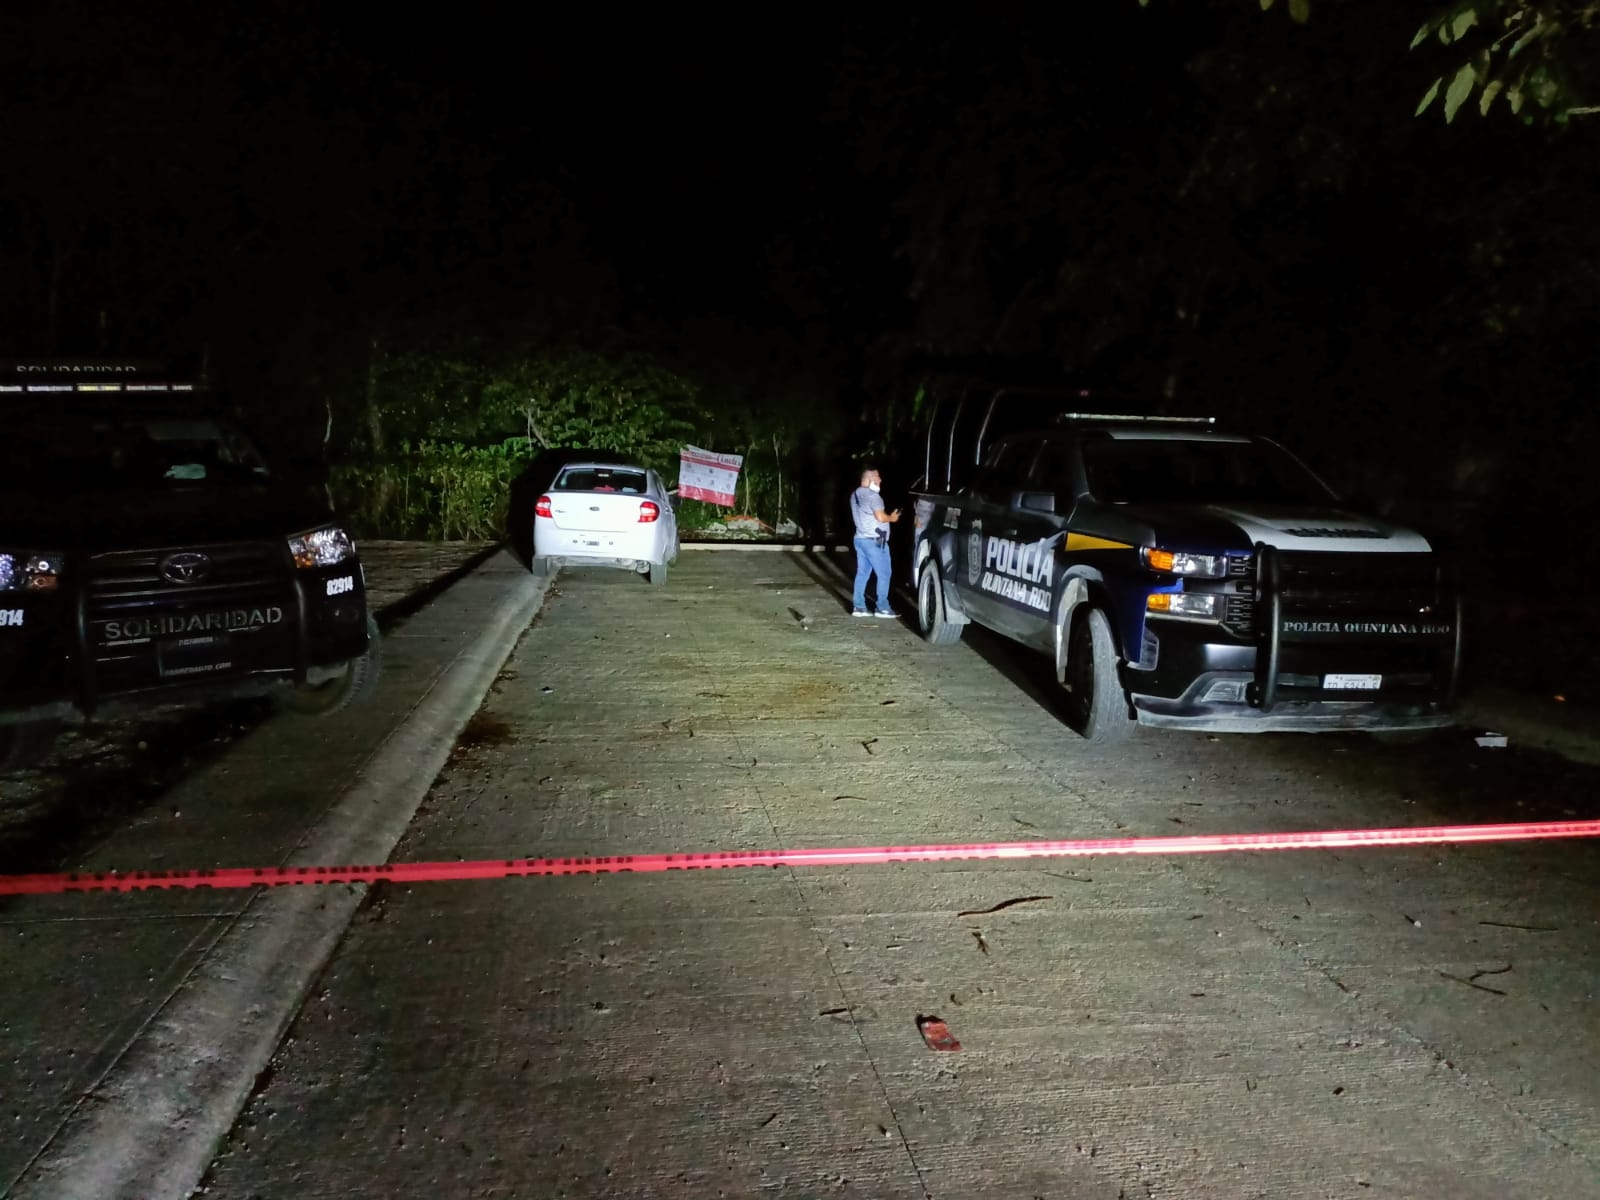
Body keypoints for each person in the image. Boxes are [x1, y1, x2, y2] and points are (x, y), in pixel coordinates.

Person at [849, 466, 900, 617]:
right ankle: (882, 607)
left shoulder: (854, 495)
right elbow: (880, 517)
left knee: (863, 573)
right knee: (884, 574)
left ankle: (859, 607)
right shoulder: (873, 497)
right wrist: (892, 518)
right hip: (875, 541)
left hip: (860, 539)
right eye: (877, 477)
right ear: (869, 479)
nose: (880, 480)